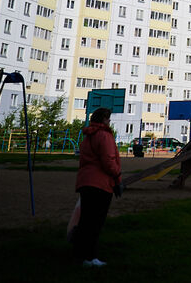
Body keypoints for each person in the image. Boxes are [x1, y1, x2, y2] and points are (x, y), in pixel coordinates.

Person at [73, 108, 121, 267]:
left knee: (86, 220)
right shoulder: (104, 136)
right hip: (100, 183)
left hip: (86, 181)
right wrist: (117, 176)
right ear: (103, 119)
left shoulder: (88, 137)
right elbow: (108, 160)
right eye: (108, 118)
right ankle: (91, 256)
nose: (109, 121)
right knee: (95, 222)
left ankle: (79, 254)